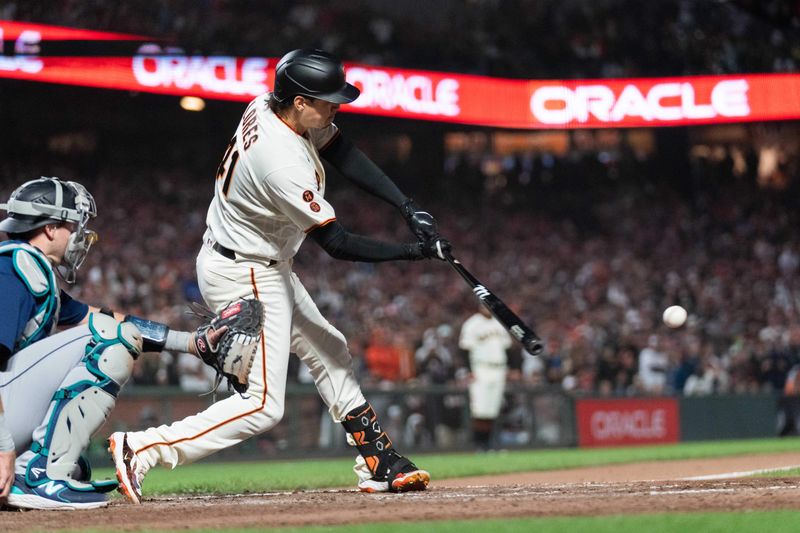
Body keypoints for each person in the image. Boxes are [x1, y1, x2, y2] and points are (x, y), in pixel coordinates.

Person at [109, 48, 451, 502]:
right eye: (327, 100)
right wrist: (415, 252)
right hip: (245, 271)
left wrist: (405, 206)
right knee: (264, 405)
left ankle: (379, 459)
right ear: (300, 102)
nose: (336, 107)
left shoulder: (268, 104)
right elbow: (338, 244)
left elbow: (342, 151)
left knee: (330, 348)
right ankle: (143, 448)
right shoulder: (281, 160)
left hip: (255, 260)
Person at [0, 177, 224, 510]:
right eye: (72, 224)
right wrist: (4, 449)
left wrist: (191, 343)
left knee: (75, 459)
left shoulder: (29, 270)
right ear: (49, 229)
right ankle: (40, 476)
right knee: (111, 341)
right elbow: (112, 332)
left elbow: (106, 319)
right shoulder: (11, 270)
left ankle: (37, 472)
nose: (80, 234)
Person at [458, 305, 512, 451]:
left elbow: (508, 347)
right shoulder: (472, 324)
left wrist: (511, 367)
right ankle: (479, 444)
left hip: (499, 368)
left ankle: (489, 444)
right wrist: (469, 370)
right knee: (480, 409)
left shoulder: (499, 322)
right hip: (480, 368)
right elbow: (464, 349)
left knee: (493, 408)